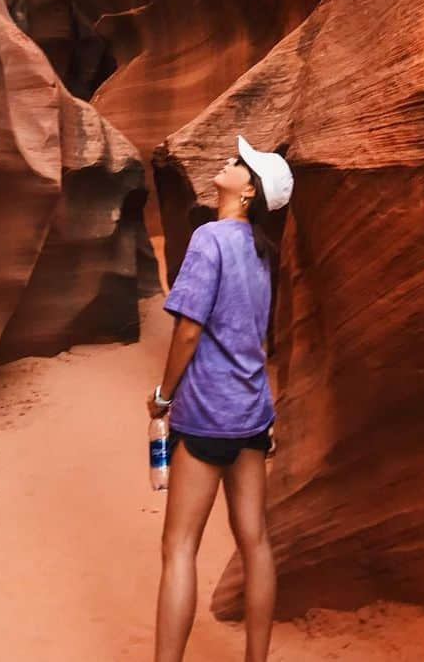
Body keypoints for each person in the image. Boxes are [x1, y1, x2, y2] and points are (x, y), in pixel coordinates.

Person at [147, 135, 294, 662]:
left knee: (180, 547)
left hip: (207, 415)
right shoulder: (261, 254)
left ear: (249, 191)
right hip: (253, 414)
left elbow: (188, 332)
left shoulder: (209, 240)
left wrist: (164, 397)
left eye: (238, 163)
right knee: (254, 542)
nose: (228, 163)